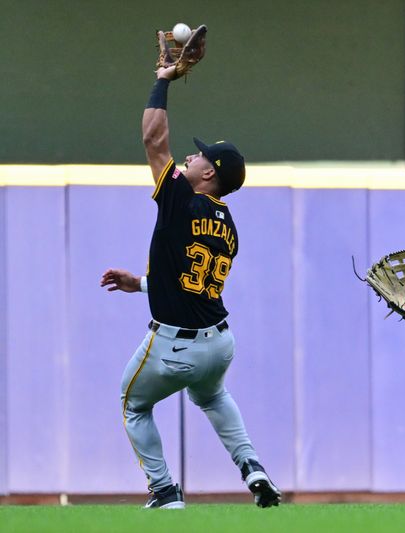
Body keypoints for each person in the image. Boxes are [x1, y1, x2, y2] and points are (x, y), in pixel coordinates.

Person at [100, 65, 281, 509]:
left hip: (172, 346)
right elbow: (190, 283)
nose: (190, 157)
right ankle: (252, 466)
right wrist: (142, 283)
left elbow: (153, 139)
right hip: (218, 342)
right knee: (214, 395)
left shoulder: (182, 195)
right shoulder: (229, 226)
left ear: (208, 174)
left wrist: (163, 78)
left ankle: (164, 492)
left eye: (200, 156)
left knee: (133, 405)